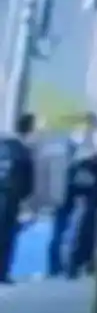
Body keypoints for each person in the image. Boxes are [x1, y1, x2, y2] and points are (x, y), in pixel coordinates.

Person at [50, 120, 97, 278]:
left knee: (72, 226)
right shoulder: (85, 143)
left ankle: (63, 265)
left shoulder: (77, 142)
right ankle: (70, 263)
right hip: (79, 186)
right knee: (79, 224)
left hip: (74, 187)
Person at [0, 113, 30, 283]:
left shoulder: (3, 145)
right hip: (11, 198)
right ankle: (2, 272)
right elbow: (27, 179)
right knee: (7, 237)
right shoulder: (22, 151)